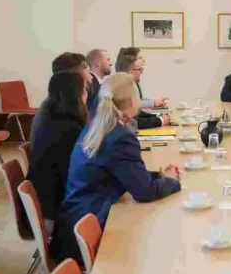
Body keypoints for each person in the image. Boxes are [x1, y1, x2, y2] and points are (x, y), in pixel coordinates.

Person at [49, 73, 181, 262]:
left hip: (73, 223)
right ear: (133, 100)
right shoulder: (120, 137)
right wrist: (172, 181)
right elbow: (144, 192)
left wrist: (159, 176)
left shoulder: (98, 124)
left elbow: (123, 172)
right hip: (89, 233)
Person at [26, 71, 88, 233]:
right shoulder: (68, 128)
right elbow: (77, 174)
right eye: (84, 89)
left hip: (46, 205)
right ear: (76, 95)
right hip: (54, 213)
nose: (87, 94)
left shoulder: (47, 117)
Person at [119, 54, 169, 129]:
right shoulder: (124, 88)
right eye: (140, 69)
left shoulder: (133, 84)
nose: (141, 72)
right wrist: (160, 120)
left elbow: (137, 113)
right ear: (131, 72)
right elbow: (135, 122)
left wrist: (158, 116)